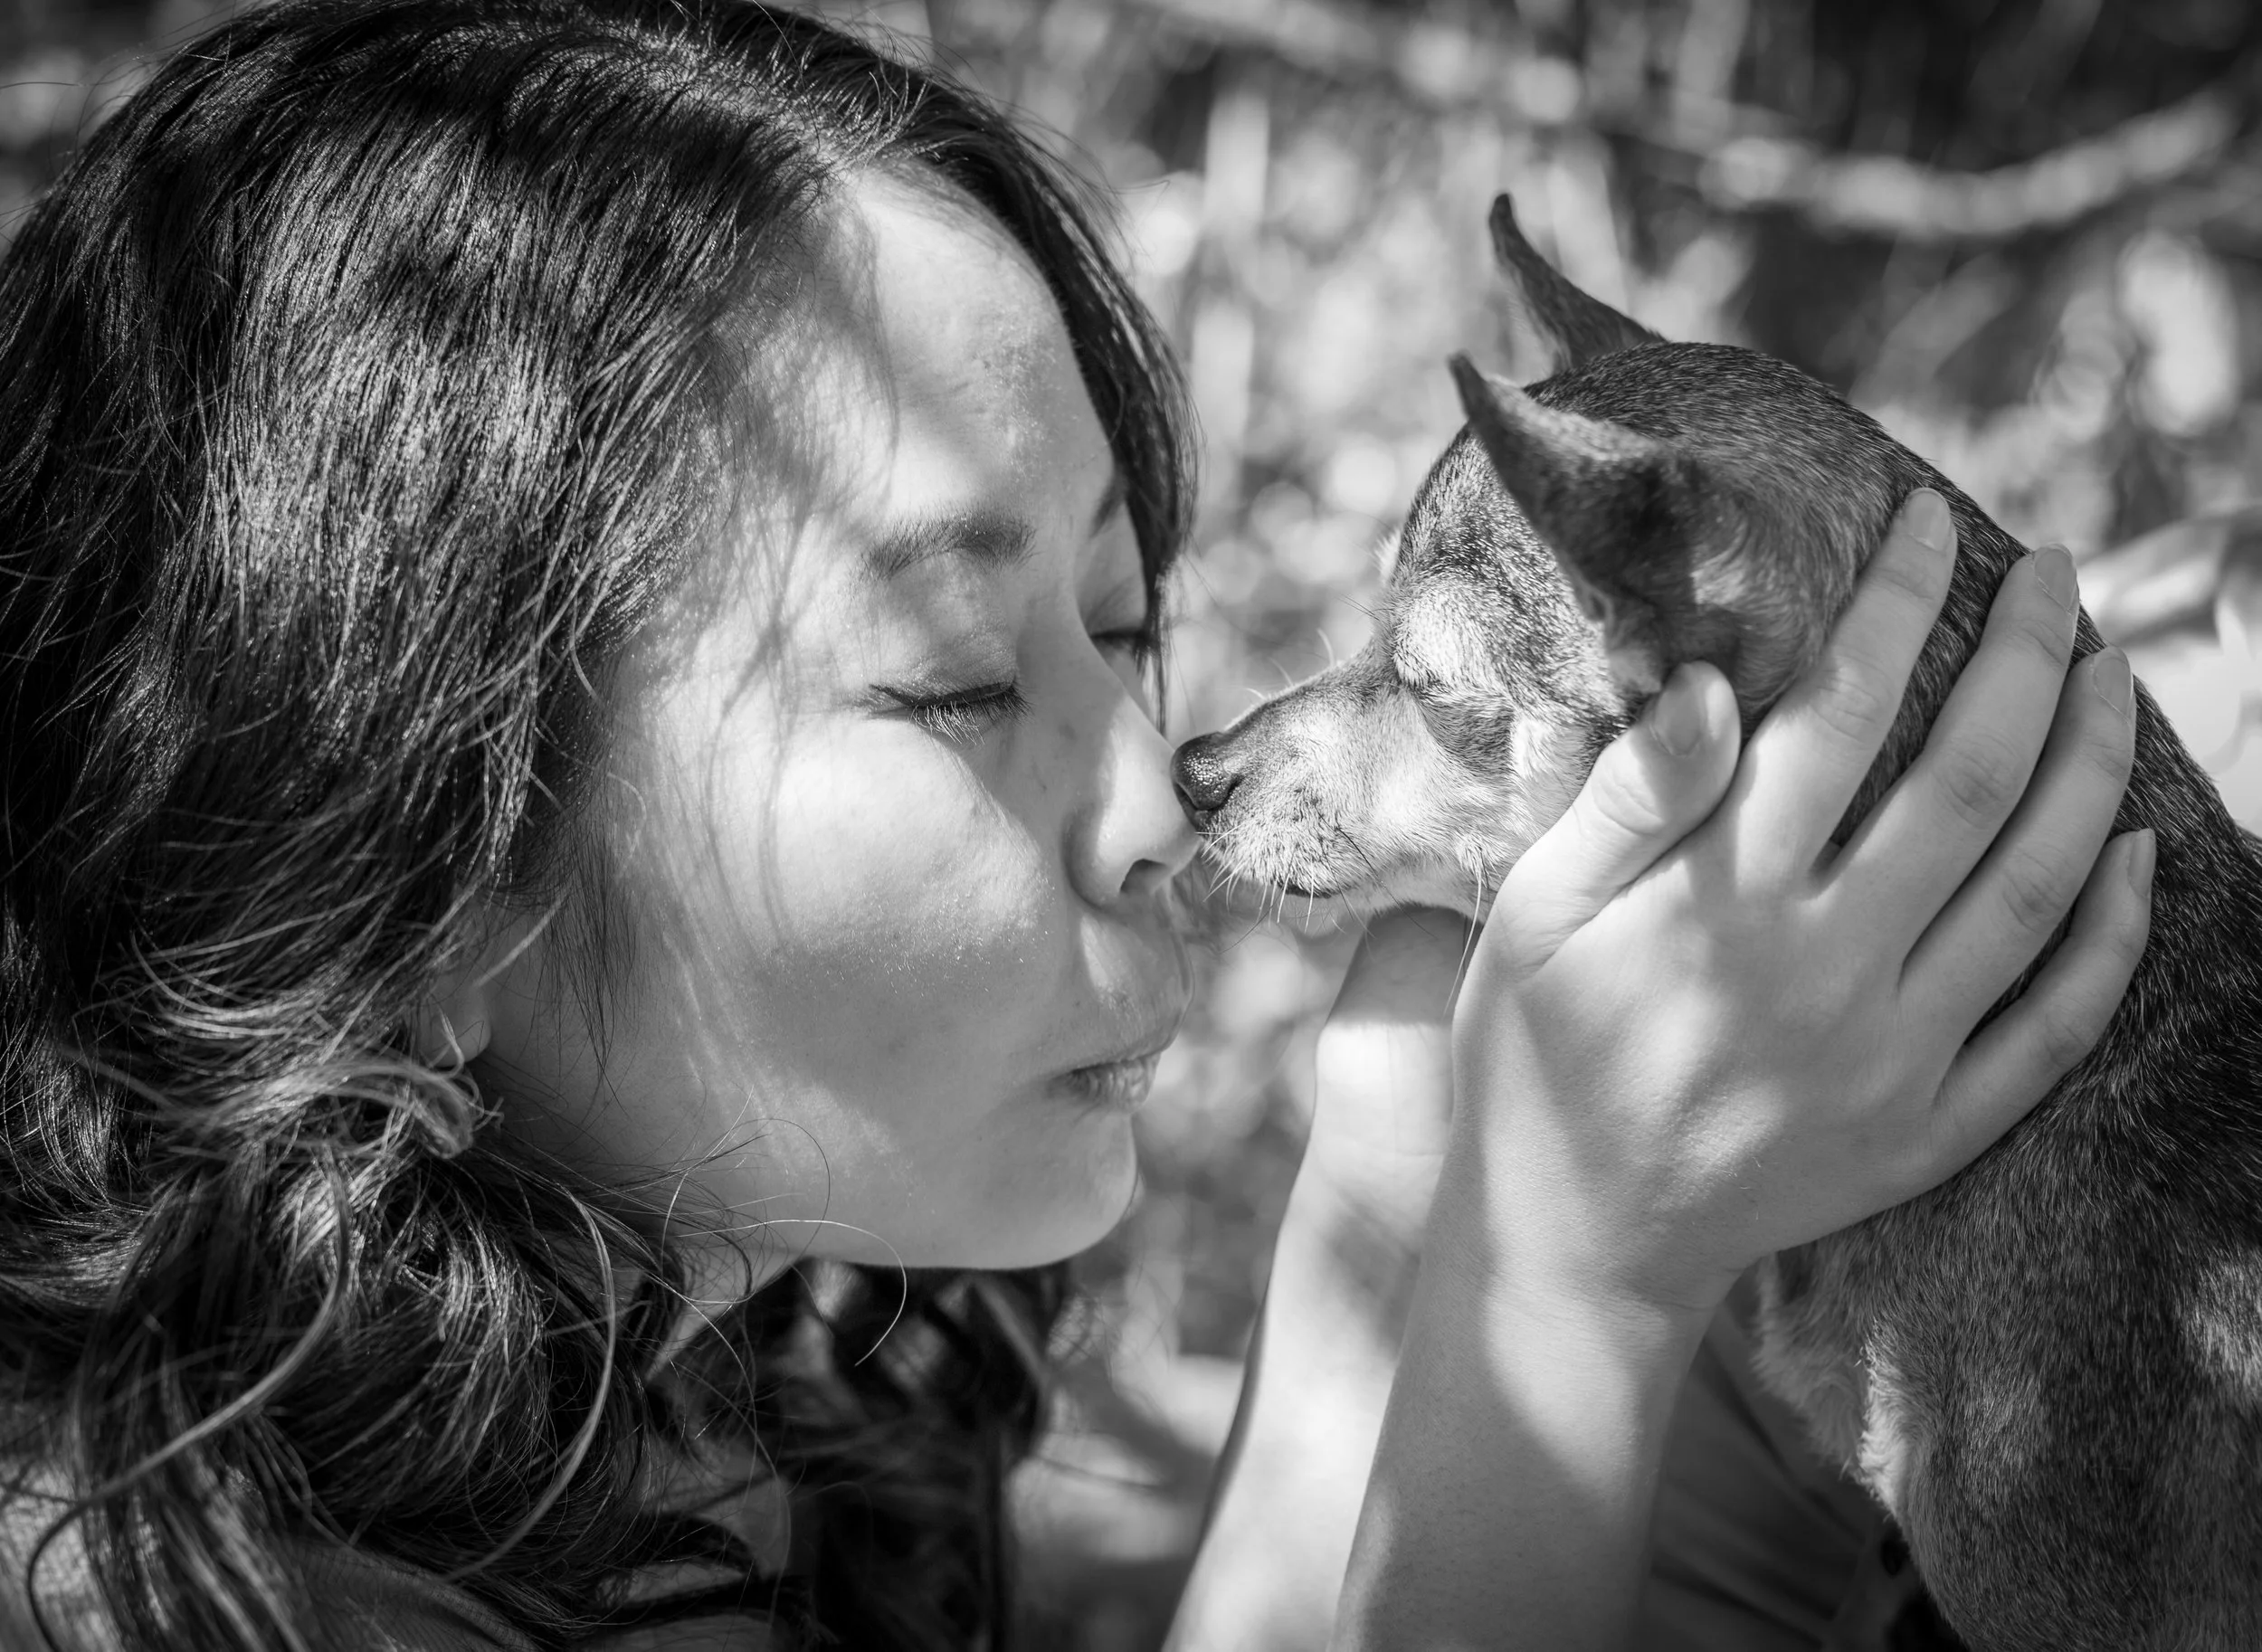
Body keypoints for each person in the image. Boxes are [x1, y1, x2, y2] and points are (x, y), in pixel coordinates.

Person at [0, 2, 2148, 1648]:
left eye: (1120, 624)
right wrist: (1571, 1284)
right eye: (949, 681)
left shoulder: (738, 1427)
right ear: (417, 874)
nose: (1155, 786)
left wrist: (1401, 1212)